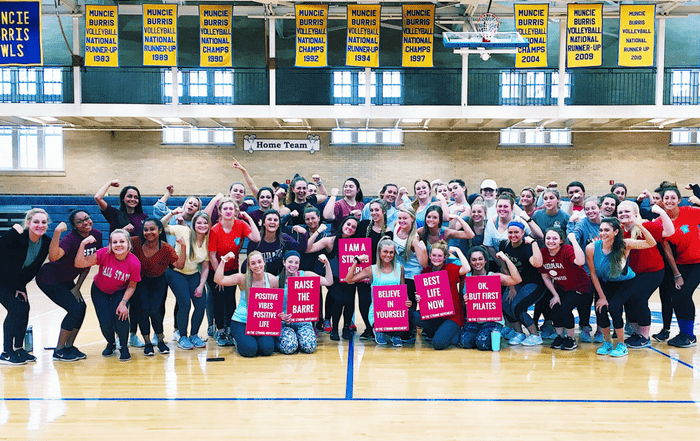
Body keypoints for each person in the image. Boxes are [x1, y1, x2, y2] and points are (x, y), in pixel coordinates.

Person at [36, 210, 102, 362]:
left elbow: (88, 263)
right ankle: (59, 351)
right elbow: (53, 257)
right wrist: (57, 232)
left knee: (81, 307)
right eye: (80, 221)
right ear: (74, 226)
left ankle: (69, 346)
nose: (85, 222)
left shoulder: (96, 235)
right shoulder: (70, 239)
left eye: (87, 218)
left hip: (67, 280)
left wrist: (77, 287)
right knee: (74, 309)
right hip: (49, 278)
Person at [587, 217, 657, 357]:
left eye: (607, 230)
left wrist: (638, 224)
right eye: (601, 230)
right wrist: (601, 297)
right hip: (605, 282)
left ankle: (621, 345)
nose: (603, 233)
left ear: (615, 231)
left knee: (614, 307)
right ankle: (607, 343)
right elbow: (593, 274)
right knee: (601, 309)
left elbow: (651, 243)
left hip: (625, 283)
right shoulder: (591, 248)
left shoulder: (624, 244)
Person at [94, 179, 148, 347]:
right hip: (115, 266)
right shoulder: (114, 214)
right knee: (115, 306)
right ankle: (118, 336)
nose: (132, 199)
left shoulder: (143, 217)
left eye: (135, 197)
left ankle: (131, 334)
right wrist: (109, 183)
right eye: (129, 196)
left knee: (135, 303)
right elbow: (97, 197)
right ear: (123, 198)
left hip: (134, 265)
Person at [75, 229, 141, 362]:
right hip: (100, 290)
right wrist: (82, 244)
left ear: (128, 244)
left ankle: (124, 347)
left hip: (119, 291)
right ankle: (111, 343)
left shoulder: (134, 263)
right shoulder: (104, 253)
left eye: (122, 241)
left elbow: (132, 286)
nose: (118, 245)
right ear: (110, 244)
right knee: (104, 321)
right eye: (114, 242)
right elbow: (79, 263)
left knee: (121, 316)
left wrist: (123, 303)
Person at [617, 201, 674, 348]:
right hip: (632, 273)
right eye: (620, 212)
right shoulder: (619, 231)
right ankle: (637, 333)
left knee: (639, 298)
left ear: (635, 213)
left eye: (627, 211)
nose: (623, 214)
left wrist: (661, 212)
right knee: (628, 300)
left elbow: (669, 232)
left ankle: (645, 336)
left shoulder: (646, 226)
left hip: (652, 271)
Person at [0, 209, 51, 365]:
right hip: (1, 279)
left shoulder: (46, 242)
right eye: (36, 222)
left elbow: (31, 269)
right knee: (16, 309)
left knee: (24, 309)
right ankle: (6, 353)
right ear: (28, 223)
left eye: (43, 222)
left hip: (16, 282)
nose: (40, 225)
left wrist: (20, 286)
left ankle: (19, 349)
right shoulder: (17, 236)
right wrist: (11, 233)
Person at [207, 197, 260, 346]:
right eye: (225, 209)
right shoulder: (215, 230)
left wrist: (248, 217)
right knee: (218, 299)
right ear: (220, 212)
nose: (229, 211)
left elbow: (256, 238)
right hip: (216, 269)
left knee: (230, 299)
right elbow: (212, 255)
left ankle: (230, 329)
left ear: (236, 211)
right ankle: (220, 330)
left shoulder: (241, 224)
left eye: (231, 209)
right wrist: (220, 276)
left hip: (233, 268)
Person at [131, 218, 186, 356]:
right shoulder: (135, 242)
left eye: (152, 229)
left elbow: (179, 265)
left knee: (155, 311)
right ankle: (147, 343)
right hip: (140, 281)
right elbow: (117, 241)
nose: (149, 232)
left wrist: (183, 247)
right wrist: (123, 232)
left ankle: (160, 341)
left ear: (160, 230)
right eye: (146, 229)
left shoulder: (166, 247)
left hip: (158, 281)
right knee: (143, 311)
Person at [306, 216, 361, 341]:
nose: (350, 228)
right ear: (342, 225)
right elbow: (308, 248)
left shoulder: (357, 243)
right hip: (334, 278)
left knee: (349, 301)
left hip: (350, 278)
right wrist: (317, 232)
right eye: (348, 224)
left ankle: (346, 327)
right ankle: (335, 328)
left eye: (353, 227)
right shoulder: (329, 241)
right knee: (339, 300)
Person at [214, 250, 279, 358]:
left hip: (260, 323)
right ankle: (238, 339)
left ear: (264, 262)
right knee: (250, 350)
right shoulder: (243, 278)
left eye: (259, 262)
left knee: (267, 349)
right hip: (241, 321)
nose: (257, 266)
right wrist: (223, 260)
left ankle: (252, 339)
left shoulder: (272, 280)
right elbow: (218, 279)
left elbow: (274, 304)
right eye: (253, 263)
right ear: (249, 266)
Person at [162, 210, 211, 350]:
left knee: (201, 304)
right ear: (194, 223)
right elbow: (160, 226)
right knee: (184, 303)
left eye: (205, 222)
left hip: (193, 273)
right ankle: (182, 336)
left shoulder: (208, 240)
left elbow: (206, 266)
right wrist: (171, 214)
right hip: (175, 272)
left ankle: (194, 335)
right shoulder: (183, 230)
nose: (202, 225)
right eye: (199, 222)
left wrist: (201, 285)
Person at [345, 237, 407, 347]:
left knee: (404, 325)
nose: (388, 255)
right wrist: (357, 261)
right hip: (377, 313)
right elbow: (348, 279)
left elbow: (402, 289)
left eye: (391, 252)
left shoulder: (399, 268)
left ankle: (394, 334)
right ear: (379, 252)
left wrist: (407, 301)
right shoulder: (371, 269)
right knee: (384, 329)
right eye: (385, 252)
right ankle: (379, 331)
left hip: (394, 312)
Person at [658, 186, 700, 347]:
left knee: (684, 295)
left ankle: (688, 335)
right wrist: (677, 274)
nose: (669, 201)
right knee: (676, 297)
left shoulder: (690, 211)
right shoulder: (660, 221)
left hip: (698, 261)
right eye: (666, 198)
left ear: (679, 200)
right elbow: (667, 251)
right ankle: (685, 333)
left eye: (672, 198)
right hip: (682, 263)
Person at [460, 246, 522, 350]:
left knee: (482, 343)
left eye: (480, 259)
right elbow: (462, 305)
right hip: (474, 319)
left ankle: (498, 333)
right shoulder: (466, 278)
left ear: (485, 260)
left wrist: (506, 259)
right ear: (470, 262)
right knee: (465, 342)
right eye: (474, 260)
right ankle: (481, 334)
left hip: (492, 320)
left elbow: (516, 279)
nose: (477, 262)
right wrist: (465, 301)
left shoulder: (494, 276)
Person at [539, 228, 591, 351]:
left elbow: (580, 261)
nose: (551, 241)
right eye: (548, 238)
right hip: (562, 287)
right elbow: (545, 277)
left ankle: (570, 338)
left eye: (555, 238)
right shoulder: (543, 253)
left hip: (580, 287)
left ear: (561, 240)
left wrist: (573, 240)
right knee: (555, 306)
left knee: (565, 307)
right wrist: (555, 295)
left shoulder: (567, 249)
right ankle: (560, 336)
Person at [413, 241, 470, 350]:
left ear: (444, 257)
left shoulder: (451, 268)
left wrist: (458, 251)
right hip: (435, 315)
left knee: (438, 344)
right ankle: (439, 331)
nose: (436, 258)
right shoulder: (425, 272)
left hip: (452, 316)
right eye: (434, 255)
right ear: (429, 256)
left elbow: (467, 269)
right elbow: (424, 296)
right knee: (414, 316)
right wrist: (419, 298)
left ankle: (453, 331)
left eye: (440, 256)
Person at [498, 221, 545, 346]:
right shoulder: (504, 244)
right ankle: (519, 333)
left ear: (523, 233)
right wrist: (511, 287)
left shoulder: (527, 247)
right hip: (516, 282)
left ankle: (535, 335)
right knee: (506, 304)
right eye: (510, 232)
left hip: (534, 283)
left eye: (516, 232)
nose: (513, 235)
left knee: (517, 306)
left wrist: (534, 242)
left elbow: (537, 264)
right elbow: (504, 267)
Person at [276, 251, 332, 354]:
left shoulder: (305, 275)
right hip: (284, 323)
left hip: (303, 322)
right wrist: (280, 316)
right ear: (284, 262)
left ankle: (298, 337)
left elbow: (329, 281)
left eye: (296, 263)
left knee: (309, 347)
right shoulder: (276, 281)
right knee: (290, 348)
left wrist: (327, 263)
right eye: (290, 262)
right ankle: (283, 339)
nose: (293, 265)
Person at [355, 199, 395, 340]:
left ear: (384, 211)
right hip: (364, 271)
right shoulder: (363, 226)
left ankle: (381, 327)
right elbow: (354, 247)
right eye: (371, 210)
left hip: (379, 272)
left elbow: (389, 255)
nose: (374, 213)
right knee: (364, 301)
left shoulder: (389, 233)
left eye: (377, 210)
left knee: (378, 302)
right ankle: (368, 328)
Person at [567, 196, 604, 343]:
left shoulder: (607, 223)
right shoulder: (582, 223)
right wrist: (571, 224)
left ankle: (601, 329)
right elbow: (573, 236)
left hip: (603, 271)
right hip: (586, 271)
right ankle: (585, 326)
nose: (590, 211)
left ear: (599, 209)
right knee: (586, 300)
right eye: (587, 209)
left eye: (593, 208)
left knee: (601, 301)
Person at [392, 206, 429, 342]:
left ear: (412, 219)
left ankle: (409, 333)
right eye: (400, 218)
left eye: (405, 218)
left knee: (409, 305)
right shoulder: (396, 227)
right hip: (399, 273)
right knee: (399, 303)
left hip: (411, 277)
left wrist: (423, 250)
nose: (401, 221)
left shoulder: (414, 240)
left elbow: (424, 264)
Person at [245, 209, 308, 277]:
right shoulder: (256, 240)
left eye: (275, 220)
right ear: (263, 223)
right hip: (260, 277)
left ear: (278, 224)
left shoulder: (284, 238)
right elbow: (249, 262)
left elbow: (301, 248)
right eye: (269, 219)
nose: (272, 222)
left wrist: (304, 234)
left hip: (279, 277)